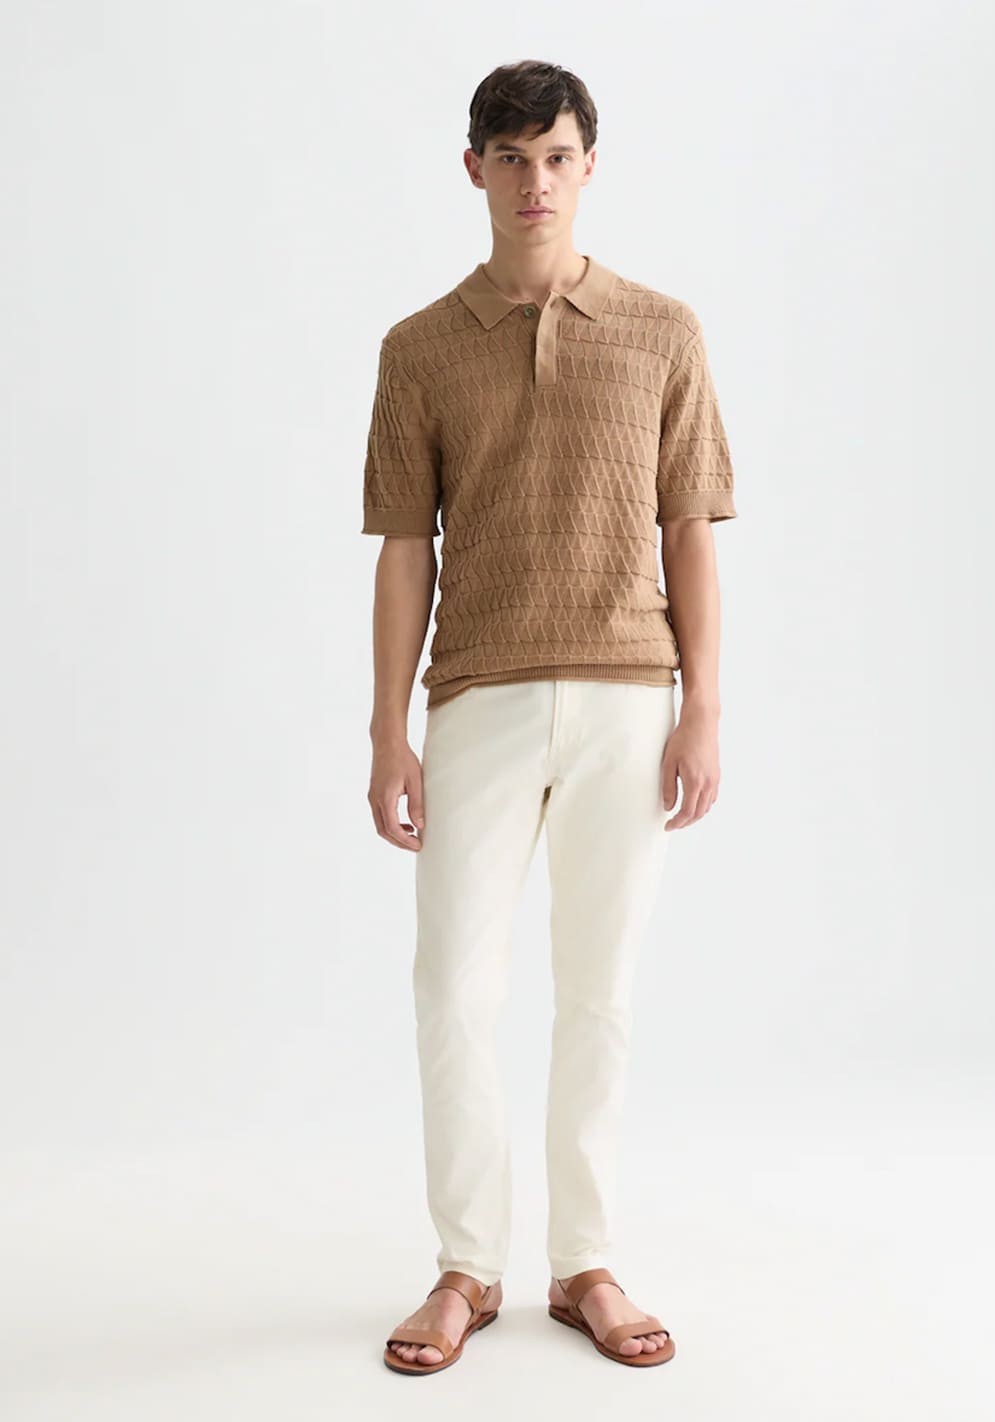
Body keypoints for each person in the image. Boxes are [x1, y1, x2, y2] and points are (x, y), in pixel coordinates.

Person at [361, 59, 736, 1375]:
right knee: (453, 987)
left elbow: (689, 529)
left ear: (589, 167)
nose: (536, 182)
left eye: (557, 157)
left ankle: (586, 1264)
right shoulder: (418, 347)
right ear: (473, 168)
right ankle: (467, 1264)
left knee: (601, 993)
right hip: (478, 695)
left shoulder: (663, 330)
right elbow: (404, 549)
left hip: (631, 696)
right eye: (511, 158)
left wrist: (703, 705)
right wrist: (387, 730)